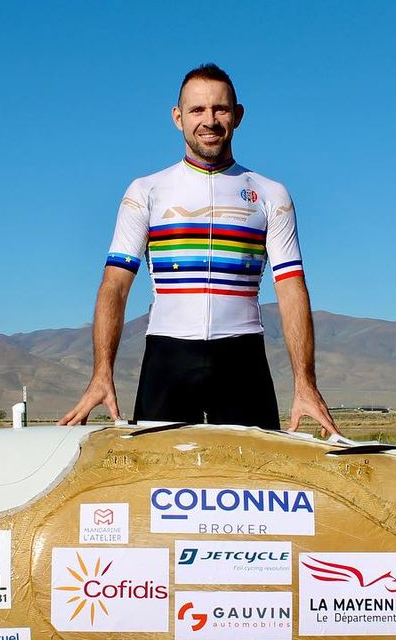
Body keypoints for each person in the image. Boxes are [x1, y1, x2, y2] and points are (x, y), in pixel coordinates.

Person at [59, 64, 338, 436]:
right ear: (178, 118)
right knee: (156, 482)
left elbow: (290, 289)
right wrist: (100, 374)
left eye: (220, 109)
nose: (209, 120)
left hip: (243, 362)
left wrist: (305, 383)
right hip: (167, 360)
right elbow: (114, 286)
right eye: (197, 110)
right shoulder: (146, 192)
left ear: (237, 116)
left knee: (254, 480)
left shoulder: (271, 195)